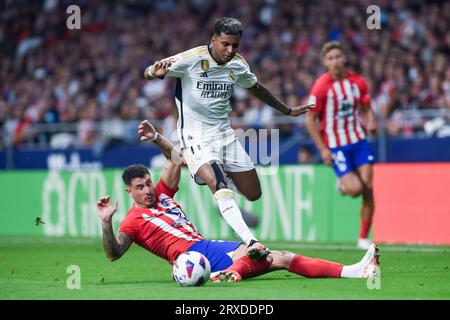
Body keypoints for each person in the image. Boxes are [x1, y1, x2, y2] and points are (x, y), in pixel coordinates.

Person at [95, 121, 380, 283]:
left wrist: (157, 137)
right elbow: (113, 253)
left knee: (280, 258)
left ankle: (231, 272)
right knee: (275, 256)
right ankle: (232, 273)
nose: (147, 190)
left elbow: (176, 158)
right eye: (140, 188)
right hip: (194, 254)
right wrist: (106, 221)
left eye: (147, 183)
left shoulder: (163, 195)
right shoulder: (132, 220)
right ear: (129, 192)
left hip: (204, 249)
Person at [143, 17, 314, 258]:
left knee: (253, 193)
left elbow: (256, 87)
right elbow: (149, 72)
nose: (230, 50)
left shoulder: (238, 65)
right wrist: (153, 72)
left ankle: (217, 184)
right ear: (213, 40)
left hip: (225, 135)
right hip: (196, 136)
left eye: (235, 45)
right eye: (225, 44)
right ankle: (251, 241)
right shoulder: (191, 59)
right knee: (219, 184)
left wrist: (286, 110)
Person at [305, 41, 377, 250]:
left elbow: (367, 108)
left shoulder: (358, 82)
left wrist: (371, 120)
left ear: (344, 58)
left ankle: (363, 238)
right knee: (355, 189)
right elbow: (310, 120)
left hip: (359, 141)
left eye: (338, 57)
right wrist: (323, 149)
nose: (335, 61)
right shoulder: (321, 86)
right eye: (331, 58)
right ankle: (344, 185)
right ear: (325, 63)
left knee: (369, 188)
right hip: (337, 146)